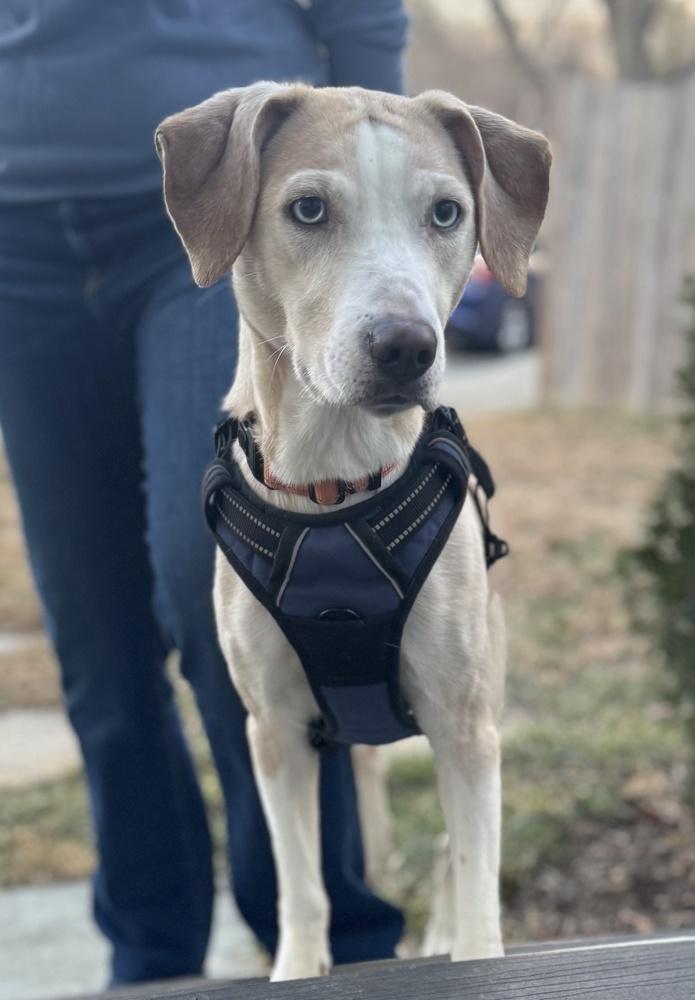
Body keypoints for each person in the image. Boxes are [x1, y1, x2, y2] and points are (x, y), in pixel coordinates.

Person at [0, 1, 408, 985]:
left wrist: (378, 193)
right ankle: (149, 953)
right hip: (18, 240)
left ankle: (329, 946)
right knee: (94, 635)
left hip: (231, 193)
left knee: (220, 580)